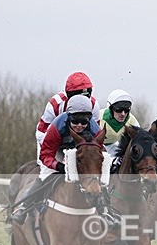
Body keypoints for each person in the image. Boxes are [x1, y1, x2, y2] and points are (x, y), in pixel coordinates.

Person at [11, 95, 102, 225]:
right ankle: (24, 208)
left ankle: (104, 210)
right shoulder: (56, 127)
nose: (80, 125)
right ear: (69, 117)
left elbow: (99, 152)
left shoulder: (94, 129)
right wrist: (57, 166)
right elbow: (45, 154)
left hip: (82, 152)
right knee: (45, 175)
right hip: (57, 151)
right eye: (75, 121)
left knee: (99, 178)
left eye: (84, 122)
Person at [34, 72, 100, 163]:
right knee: (45, 167)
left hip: (79, 141)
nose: (82, 101)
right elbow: (41, 132)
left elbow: (95, 135)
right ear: (69, 95)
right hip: (53, 141)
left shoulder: (94, 105)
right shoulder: (55, 104)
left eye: (86, 96)